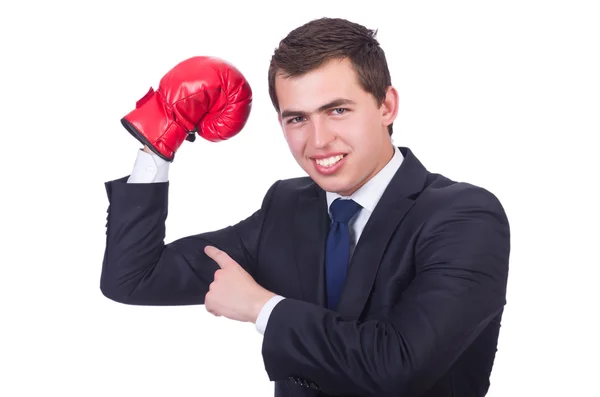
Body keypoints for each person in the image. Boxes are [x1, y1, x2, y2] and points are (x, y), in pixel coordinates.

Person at [100, 17, 510, 397]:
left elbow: (399, 366)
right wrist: (159, 140)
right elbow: (134, 278)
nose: (317, 141)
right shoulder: (287, 207)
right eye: (296, 119)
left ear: (386, 106)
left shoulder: (464, 217)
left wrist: (261, 307)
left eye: (337, 111)